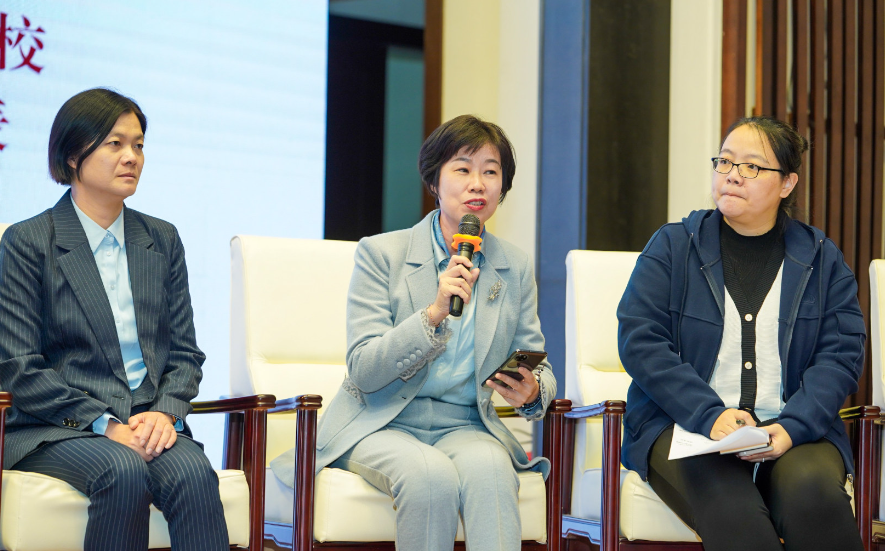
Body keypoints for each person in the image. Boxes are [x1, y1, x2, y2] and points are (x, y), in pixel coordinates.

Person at [271, 114, 557, 550]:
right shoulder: (381, 254)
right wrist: (434, 313)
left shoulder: (513, 267)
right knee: (430, 477)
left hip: (466, 426)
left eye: (490, 171)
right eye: (462, 169)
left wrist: (533, 392)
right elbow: (364, 369)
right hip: (381, 421)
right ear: (435, 180)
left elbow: (538, 364)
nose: (477, 184)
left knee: (494, 471)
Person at [617, 115, 865, 551]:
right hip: (686, 429)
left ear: (787, 183)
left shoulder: (823, 260)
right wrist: (708, 414)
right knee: (735, 515)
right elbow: (640, 340)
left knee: (816, 498)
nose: (732, 174)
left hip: (792, 430)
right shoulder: (673, 246)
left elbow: (841, 356)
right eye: (725, 161)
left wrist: (793, 426)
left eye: (752, 166)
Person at [0, 88, 229, 551]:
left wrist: (166, 412)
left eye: (139, 145)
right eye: (115, 144)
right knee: (120, 470)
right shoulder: (28, 242)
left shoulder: (161, 239)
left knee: (194, 473)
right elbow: (19, 366)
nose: (132, 157)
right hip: (56, 427)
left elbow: (184, 353)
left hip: (147, 419)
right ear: (72, 156)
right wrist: (106, 424)